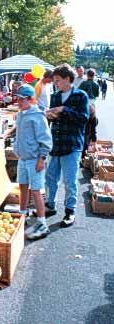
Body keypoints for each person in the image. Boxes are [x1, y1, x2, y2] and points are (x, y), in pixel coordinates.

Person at [43, 63, 90, 227]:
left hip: (71, 145)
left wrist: (64, 109)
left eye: (57, 80)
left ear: (68, 79)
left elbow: (83, 119)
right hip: (55, 144)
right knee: (50, 178)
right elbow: (52, 118)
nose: (55, 83)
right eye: (55, 81)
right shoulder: (55, 96)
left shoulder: (81, 96)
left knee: (69, 181)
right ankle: (50, 204)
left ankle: (70, 211)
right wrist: (49, 115)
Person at [13, 84, 53, 240]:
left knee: (36, 191)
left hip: (35, 160)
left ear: (30, 99)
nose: (18, 102)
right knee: (23, 187)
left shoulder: (37, 116)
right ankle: (22, 214)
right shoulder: (22, 113)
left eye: (21, 99)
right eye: (17, 98)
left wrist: (41, 159)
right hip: (23, 159)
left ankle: (42, 223)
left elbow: (46, 140)